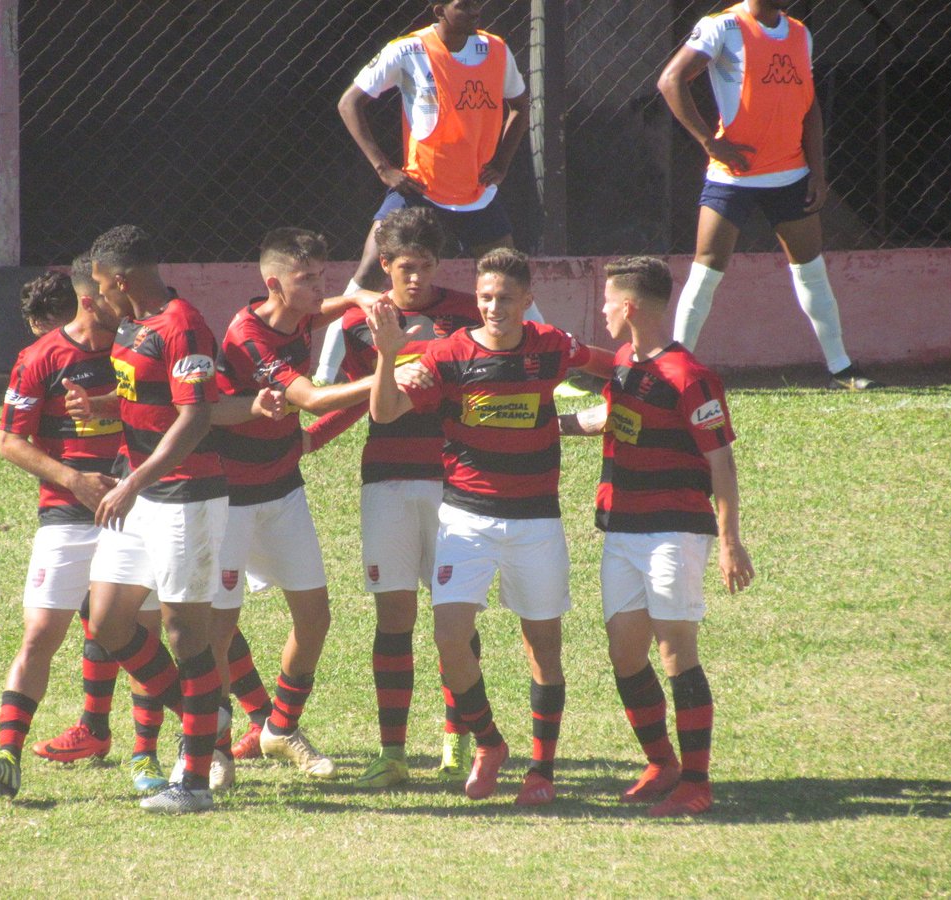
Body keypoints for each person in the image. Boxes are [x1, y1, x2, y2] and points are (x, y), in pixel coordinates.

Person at [368, 248, 613, 805]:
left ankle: (541, 772)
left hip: (536, 523)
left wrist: (598, 414)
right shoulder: (446, 353)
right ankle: (489, 744)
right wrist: (386, 356)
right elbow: (384, 413)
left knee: (543, 650)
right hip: (465, 519)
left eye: (505, 298)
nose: (493, 308)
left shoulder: (552, 347)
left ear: (527, 301)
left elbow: (616, 367)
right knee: (450, 639)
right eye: (484, 298)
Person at [62, 225, 275, 815]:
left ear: (121, 279)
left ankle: (196, 780)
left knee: (186, 633)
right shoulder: (131, 325)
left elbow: (195, 417)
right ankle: (207, 712)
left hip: (185, 497)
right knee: (104, 621)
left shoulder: (184, 324)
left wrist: (132, 481)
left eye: (100, 285)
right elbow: (144, 397)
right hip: (144, 495)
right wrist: (105, 405)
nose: (97, 296)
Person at [560, 256, 754, 817]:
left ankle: (696, 782)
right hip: (621, 530)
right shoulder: (624, 361)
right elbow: (605, 419)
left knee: (676, 653)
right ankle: (661, 762)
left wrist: (729, 542)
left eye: (606, 301)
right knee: (625, 653)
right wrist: (541, 426)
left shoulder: (690, 377)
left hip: (674, 533)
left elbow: (722, 464)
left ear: (629, 306)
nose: (601, 309)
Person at [0, 261, 160, 799]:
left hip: (133, 510)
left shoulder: (140, 347)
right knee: (39, 635)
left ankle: (146, 758)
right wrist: (74, 480)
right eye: (108, 292)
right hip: (67, 514)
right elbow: (10, 440)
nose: (123, 300)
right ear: (91, 300)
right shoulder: (40, 357)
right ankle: (8, 755)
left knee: (140, 633)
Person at [309, 207, 486, 788]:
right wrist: (303, 441)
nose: (417, 278)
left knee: (453, 618)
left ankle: (458, 742)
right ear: (384, 265)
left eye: (427, 266)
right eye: (406, 267)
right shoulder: (359, 324)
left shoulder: (465, 314)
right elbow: (352, 398)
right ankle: (392, 753)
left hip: (453, 483)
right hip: (385, 481)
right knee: (394, 619)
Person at [210, 227, 379, 781]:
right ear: (274, 284)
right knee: (219, 626)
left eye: (322, 277)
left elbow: (320, 312)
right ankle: (212, 743)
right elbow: (310, 398)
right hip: (230, 496)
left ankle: (279, 729)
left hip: (283, 490)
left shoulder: (298, 315)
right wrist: (387, 376)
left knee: (315, 617)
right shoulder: (247, 336)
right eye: (307, 280)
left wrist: (353, 298)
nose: (318, 289)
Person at [657, 0, 879, 391]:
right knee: (706, 270)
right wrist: (710, 144)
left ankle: (841, 369)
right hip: (733, 177)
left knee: (811, 271)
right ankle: (677, 371)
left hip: (790, 174)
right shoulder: (722, 27)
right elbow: (670, 80)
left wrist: (818, 171)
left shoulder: (798, 32)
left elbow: (809, 107)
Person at [316, 0, 540, 383]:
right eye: (463, 5)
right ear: (439, 9)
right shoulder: (407, 50)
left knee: (509, 277)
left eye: (477, 5)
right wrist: (383, 168)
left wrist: (502, 161)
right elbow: (349, 102)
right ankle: (324, 372)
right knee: (370, 272)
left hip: (476, 195)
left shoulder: (496, 49)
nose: (475, 11)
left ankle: (543, 362)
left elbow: (520, 105)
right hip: (418, 190)